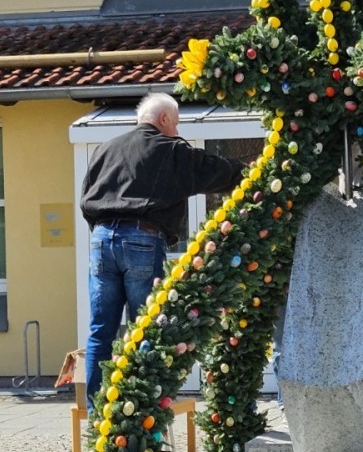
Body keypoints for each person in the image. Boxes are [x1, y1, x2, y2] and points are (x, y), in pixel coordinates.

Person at [79, 92, 242, 406]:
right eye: (176, 123)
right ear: (164, 118)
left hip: (101, 239)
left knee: (101, 331)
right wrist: (248, 171)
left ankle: (97, 413)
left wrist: (105, 232)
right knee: (146, 328)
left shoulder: (105, 149)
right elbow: (212, 170)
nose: (177, 131)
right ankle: (139, 411)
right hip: (142, 237)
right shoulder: (169, 148)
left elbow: (86, 198)